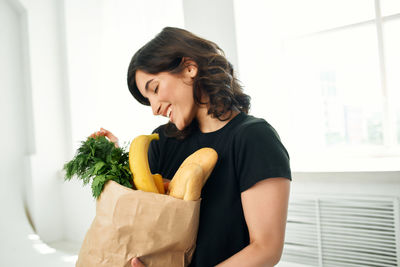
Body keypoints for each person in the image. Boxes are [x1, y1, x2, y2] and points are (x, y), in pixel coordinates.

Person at [93, 27, 291, 267]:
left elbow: (265, 248)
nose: (154, 108)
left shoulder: (254, 138)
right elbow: (144, 224)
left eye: (154, 89)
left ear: (189, 68)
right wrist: (115, 161)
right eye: (148, 101)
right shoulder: (160, 142)